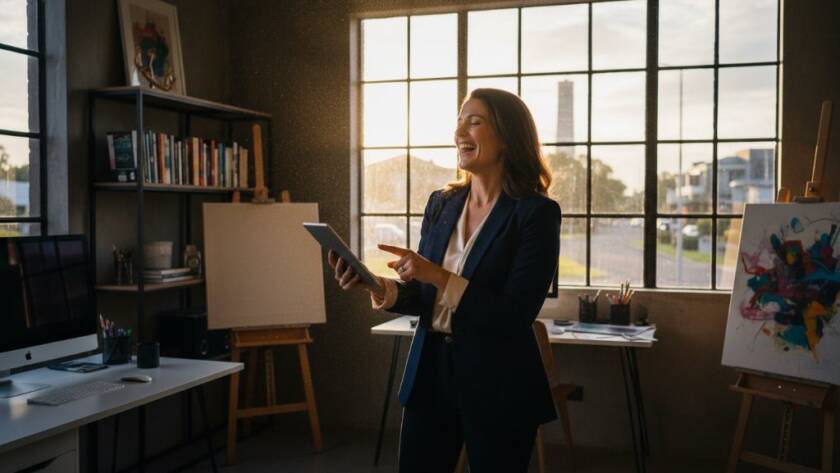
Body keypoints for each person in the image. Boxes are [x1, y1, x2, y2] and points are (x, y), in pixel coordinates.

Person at [329, 88, 561, 473]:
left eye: (474, 121)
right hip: (431, 375)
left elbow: (515, 315)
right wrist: (377, 288)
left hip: (499, 384)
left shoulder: (536, 214)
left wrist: (436, 274)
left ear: (506, 135)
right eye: (458, 121)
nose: (459, 132)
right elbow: (424, 297)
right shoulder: (442, 204)